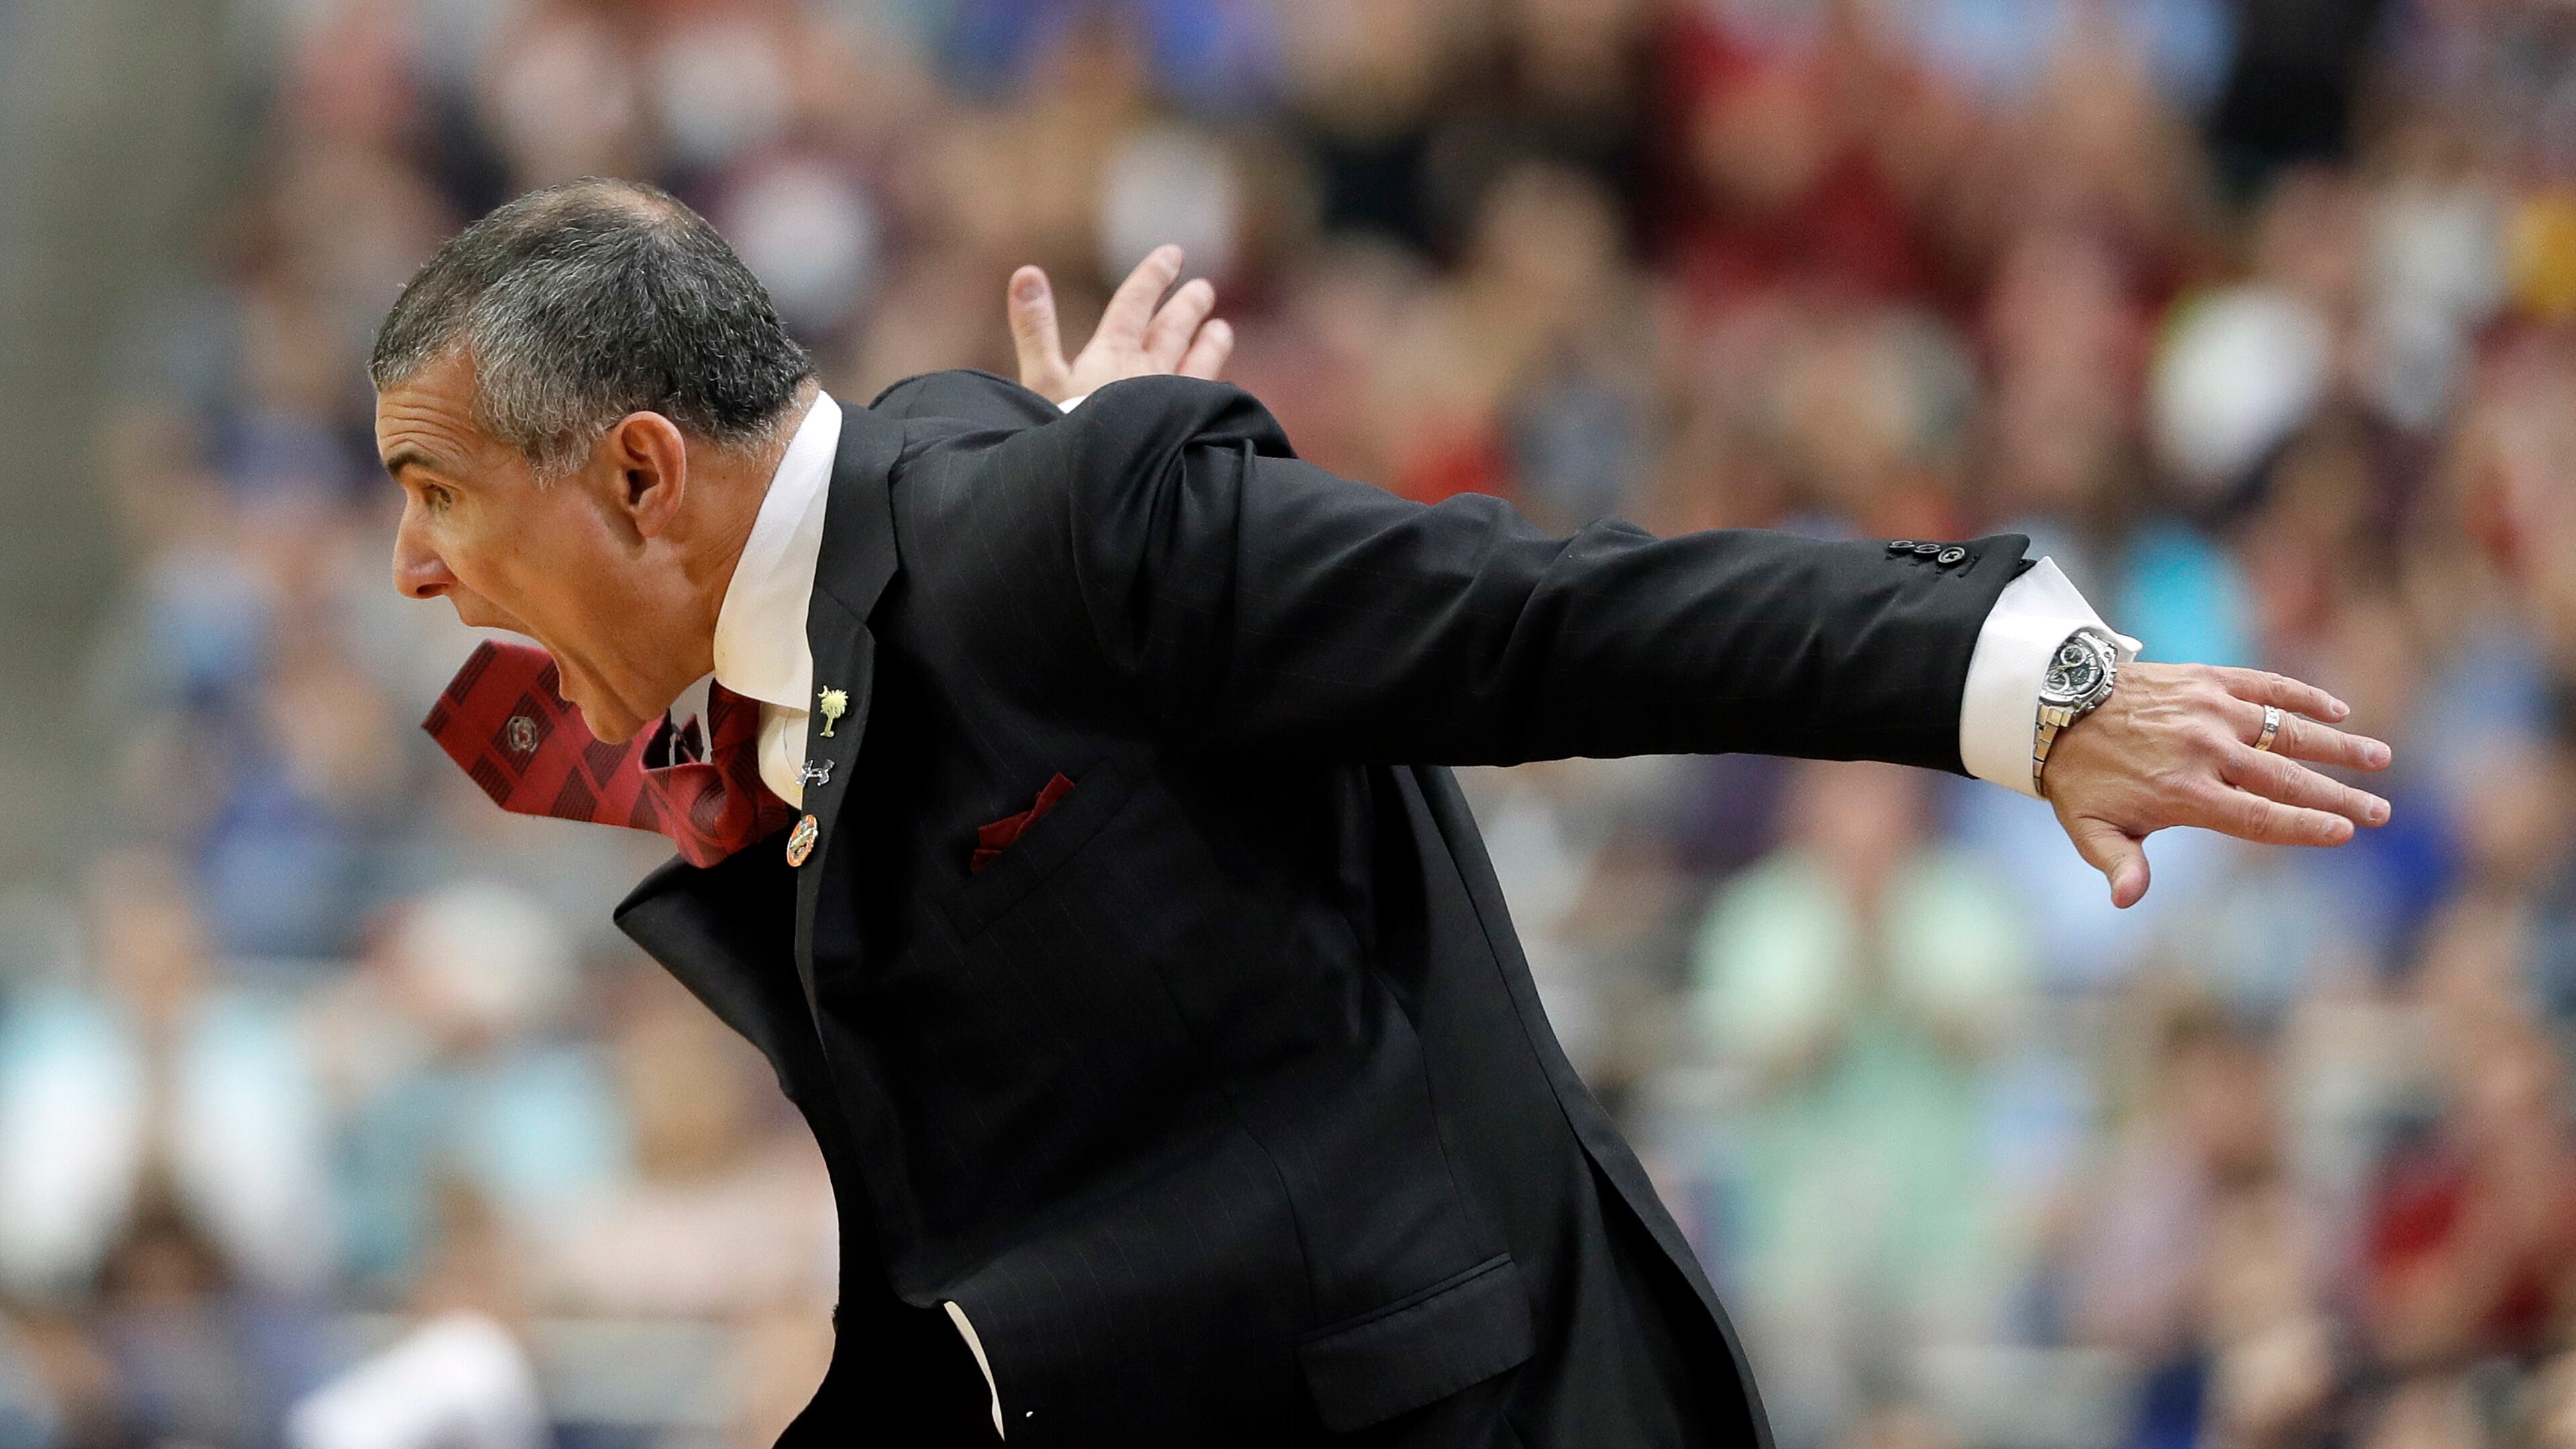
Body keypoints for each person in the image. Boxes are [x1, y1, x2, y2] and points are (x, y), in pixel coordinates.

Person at [370, 179, 2392, 1447]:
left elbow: (1552, 622)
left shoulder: (1056, 537)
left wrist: (2027, 692)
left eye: (437, 493)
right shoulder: (949, 536)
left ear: (644, 474)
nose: (411, 572)